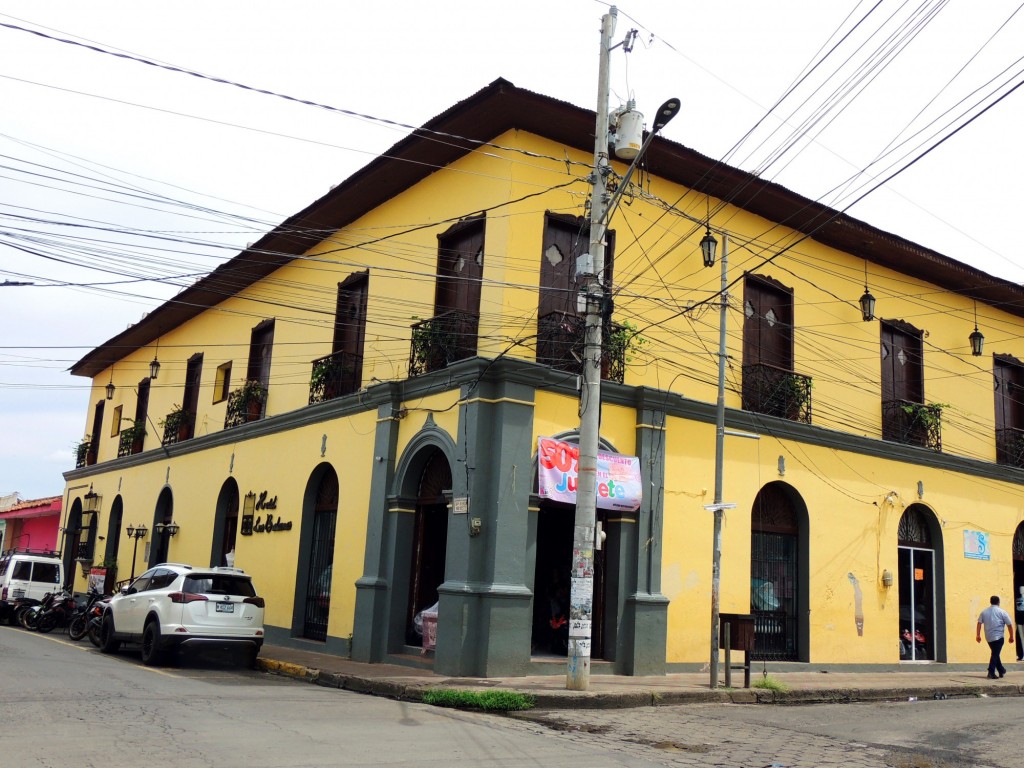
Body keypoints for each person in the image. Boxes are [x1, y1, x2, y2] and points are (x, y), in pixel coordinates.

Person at [976, 595, 1015, 679]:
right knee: (995, 654)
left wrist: (978, 635)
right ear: (998, 602)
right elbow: (1009, 625)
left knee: (995, 653)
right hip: (999, 637)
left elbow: (979, 623)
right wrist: (1011, 636)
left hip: (989, 637)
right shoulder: (1002, 612)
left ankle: (1001, 670)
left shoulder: (984, 612)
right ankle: (991, 671)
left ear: (990, 602)